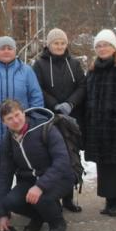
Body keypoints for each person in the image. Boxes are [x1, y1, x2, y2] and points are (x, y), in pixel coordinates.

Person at [0, 100, 75, 231]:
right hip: (30, 179)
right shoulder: (8, 139)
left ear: (23, 113)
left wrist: (40, 186)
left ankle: (57, 223)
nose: (15, 120)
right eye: (9, 118)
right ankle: (39, 216)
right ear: (3, 122)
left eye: (17, 115)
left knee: (41, 198)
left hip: (60, 177)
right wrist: (2, 214)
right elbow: (4, 175)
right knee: (10, 201)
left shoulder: (45, 128)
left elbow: (62, 161)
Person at [0, 36, 43, 189]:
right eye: (2, 48)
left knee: (25, 171)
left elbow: (36, 97)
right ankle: (3, 204)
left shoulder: (27, 71)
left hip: (23, 131)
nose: (6, 51)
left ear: (15, 51)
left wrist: (32, 122)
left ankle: (24, 203)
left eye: (9, 48)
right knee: (1, 171)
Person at [32, 28, 86, 212]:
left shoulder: (75, 64)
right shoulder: (39, 64)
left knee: (70, 157)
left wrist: (71, 103)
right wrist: (55, 105)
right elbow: (38, 87)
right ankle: (53, 196)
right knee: (52, 158)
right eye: (56, 43)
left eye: (62, 43)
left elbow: (82, 86)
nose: (59, 46)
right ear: (48, 44)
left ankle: (69, 198)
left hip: (71, 117)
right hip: (50, 117)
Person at [84, 29, 116, 217]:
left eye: (106, 45)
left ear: (114, 47)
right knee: (103, 165)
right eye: (98, 46)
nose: (102, 48)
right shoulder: (93, 70)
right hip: (97, 125)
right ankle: (109, 200)